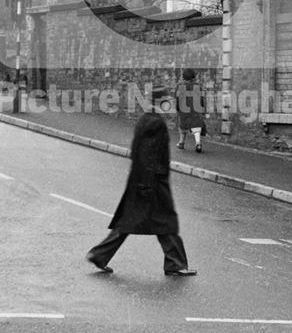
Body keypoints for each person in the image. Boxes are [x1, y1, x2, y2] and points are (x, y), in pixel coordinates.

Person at [85, 85, 197, 277]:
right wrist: (147, 184)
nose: (170, 105)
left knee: (141, 224)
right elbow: (145, 156)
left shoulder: (146, 120)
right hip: (151, 184)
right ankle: (174, 263)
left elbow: (137, 154)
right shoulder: (155, 123)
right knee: (163, 223)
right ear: (160, 102)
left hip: (144, 182)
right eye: (168, 101)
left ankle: (100, 255)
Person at [174, 68, 207, 153]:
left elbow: (177, 98)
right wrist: (202, 108)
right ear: (193, 77)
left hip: (183, 109)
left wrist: (177, 107)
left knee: (183, 126)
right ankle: (198, 143)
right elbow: (202, 98)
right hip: (195, 109)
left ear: (183, 77)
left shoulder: (180, 86)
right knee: (196, 126)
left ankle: (181, 143)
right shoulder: (198, 86)